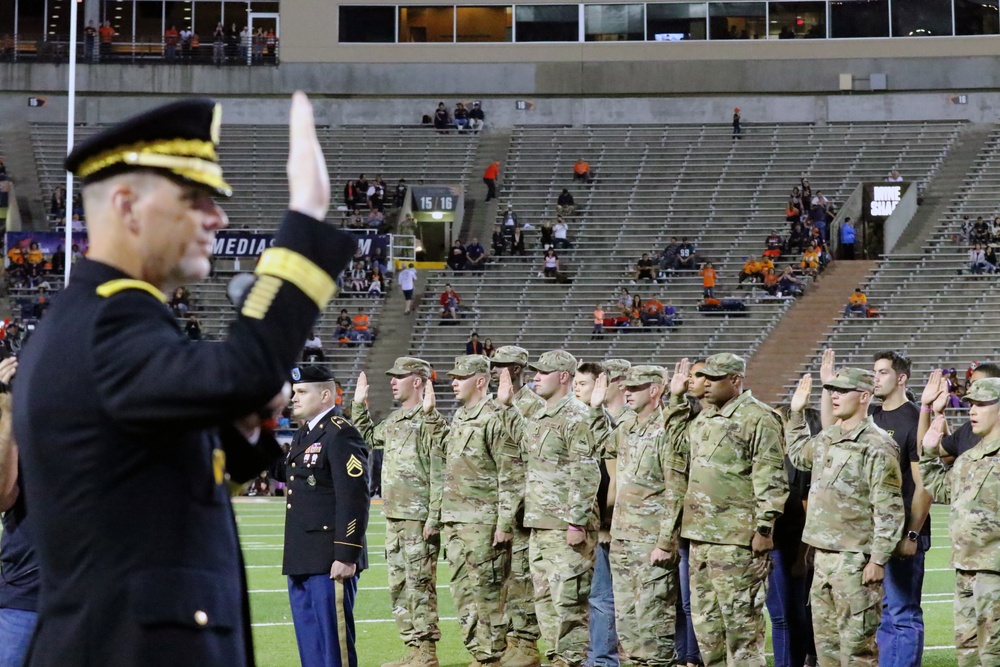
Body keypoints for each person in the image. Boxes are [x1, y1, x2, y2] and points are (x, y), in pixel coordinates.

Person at [14, 94, 357, 667]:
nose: (217, 218)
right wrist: (305, 218)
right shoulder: (110, 322)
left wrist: (242, 427)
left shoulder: (108, 319)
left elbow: (166, 479)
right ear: (127, 206)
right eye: (195, 199)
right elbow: (248, 370)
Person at [786, 369, 905, 666]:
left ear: (864, 396)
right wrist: (797, 414)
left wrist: (877, 559)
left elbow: (889, 507)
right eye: (831, 390)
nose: (834, 395)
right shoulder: (829, 436)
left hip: (854, 560)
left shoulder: (877, 445)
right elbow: (799, 455)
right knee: (826, 649)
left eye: (842, 390)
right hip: (822, 556)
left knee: (856, 652)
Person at [497, 350, 604, 667]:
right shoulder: (541, 416)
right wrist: (506, 405)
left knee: (568, 601)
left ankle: (570, 660)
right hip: (540, 525)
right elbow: (520, 440)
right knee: (543, 600)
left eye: (543, 372)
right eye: (535, 372)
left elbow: (586, 472)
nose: (536, 377)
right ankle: (558, 657)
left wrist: (576, 522)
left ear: (564, 377)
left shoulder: (577, 416)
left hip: (564, 527)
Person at [682, 353, 788, 666]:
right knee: (708, 631)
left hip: (737, 541)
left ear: (735, 381)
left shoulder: (759, 417)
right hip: (701, 538)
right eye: (705, 377)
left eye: (715, 379)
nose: (707, 384)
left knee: (742, 631)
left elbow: (771, 478)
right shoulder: (704, 417)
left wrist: (765, 528)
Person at [352, 359, 447, 667]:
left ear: (418, 381)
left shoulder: (429, 420)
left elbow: (439, 471)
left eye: (399, 377)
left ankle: (427, 652)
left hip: (418, 518)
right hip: (394, 516)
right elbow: (366, 438)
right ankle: (413, 647)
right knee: (399, 585)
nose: (393, 382)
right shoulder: (395, 420)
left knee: (420, 585)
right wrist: (358, 405)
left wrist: (434, 516)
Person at [276, 366, 370, 667]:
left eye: (302, 392)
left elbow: (354, 496)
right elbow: (285, 473)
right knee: (310, 644)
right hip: (303, 555)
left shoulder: (340, 433)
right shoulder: (306, 433)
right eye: (294, 391)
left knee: (333, 647)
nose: (294, 398)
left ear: (326, 394)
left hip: (330, 558)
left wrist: (346, 553)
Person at [439, 355, 521, 666]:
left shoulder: (493, 417)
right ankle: (479, 654)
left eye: (461, 377)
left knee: (488, 594)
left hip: (483, 522)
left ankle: (492, 655)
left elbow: (510, 473)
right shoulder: (460, 416)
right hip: (456, 519)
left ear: (481, 381)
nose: (454, 382)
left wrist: (504, 522)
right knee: (462, 594)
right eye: (454, 377)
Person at [609, 365, 688, 666]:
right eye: (626, 387)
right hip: (623, 538)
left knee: (653, 623)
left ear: (654, 390)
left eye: (635, 387)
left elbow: (675, 488)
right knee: (627, 623)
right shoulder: (627, 428)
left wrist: (665, 542)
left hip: (651, 540)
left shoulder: (666, 429)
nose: (627, 392)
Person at [920, 378, 1000, 666]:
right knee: (967, 653)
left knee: (994, 655)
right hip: (964, 569)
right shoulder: (969, 458)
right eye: (970, 404)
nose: (972, 411)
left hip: (995, 572)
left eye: (981, 404)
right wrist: (929, 453)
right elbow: (942, 490)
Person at [489, 345, 545, 667]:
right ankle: (510, 640)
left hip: (523, 504)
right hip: (495, 504)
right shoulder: (489, 405)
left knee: (523, 577)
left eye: (502, 365)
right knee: (502, 578)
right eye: (493, 365)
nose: (496, 370)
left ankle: (526, 644)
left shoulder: (533, 406)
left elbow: (531, 455)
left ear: (518, 368)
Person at [586, 359, 632, 667]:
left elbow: (619, 477)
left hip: (624, 523)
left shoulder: (631, 422)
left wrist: (609, 521)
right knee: (597, 596)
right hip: (593, 521)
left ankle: (614, 654)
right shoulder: (595, 419)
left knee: (623, 596)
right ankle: (600, 656)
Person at [0, 357, 37, 667]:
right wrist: (8, 412)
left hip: (95, 595)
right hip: (27, 595)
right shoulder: (21, 428)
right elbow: (2, 496)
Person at [918, 363, 1000, 460]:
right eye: (970, 385)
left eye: (976, 385)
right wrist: (929, 408)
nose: (969, 390)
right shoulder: (968, 429)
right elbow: (927, 452)